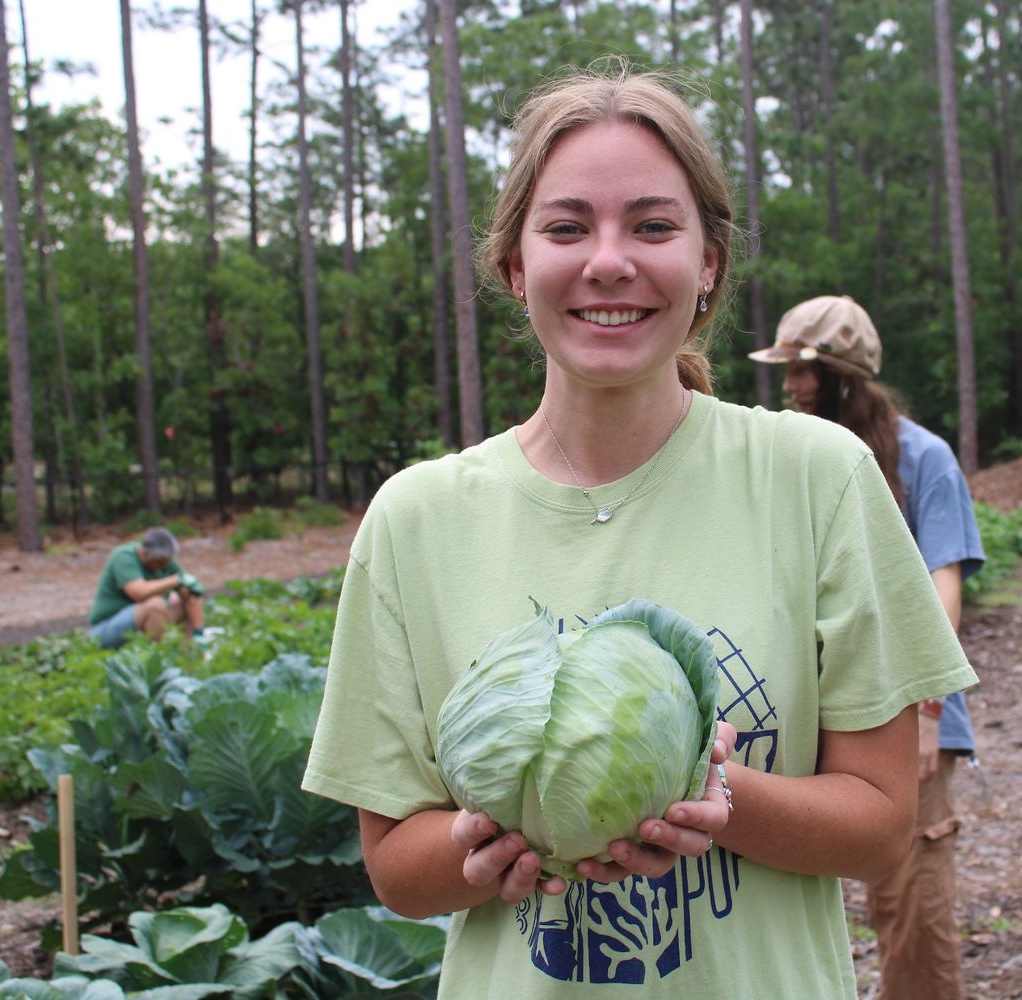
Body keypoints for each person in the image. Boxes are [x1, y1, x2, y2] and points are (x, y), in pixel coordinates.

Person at [301, 64, 977, 998]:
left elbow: (880, 823)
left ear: (708, 261)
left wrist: (712, 796)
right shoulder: (416, 519)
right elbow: (395, 868)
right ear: (514, 264)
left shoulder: (816, 478)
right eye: (567, 227)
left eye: (654, 226)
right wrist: (482, 846)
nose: (609, 261)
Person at [750, 293, 986, 1000]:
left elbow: (942, 587)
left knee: (910, 894)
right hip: (809, 712)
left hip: (906, 711)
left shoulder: (921, 460)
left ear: (843, 376)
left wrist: (923, 708)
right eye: (786, 371)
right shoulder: (781, 461)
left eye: (802, 371)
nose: (789, 386)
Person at [87, 526, 205, 649]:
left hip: (139, 624)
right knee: (155, 606)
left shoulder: (166, 562)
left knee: (183, 600)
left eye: (166, 562)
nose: (163, 566)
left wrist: (198, 631)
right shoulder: (124, 556)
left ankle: (190, 654)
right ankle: (161, 659)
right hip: (105, 629)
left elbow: (192, 593)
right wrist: (175, 580)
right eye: (160, 563)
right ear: (145, 553)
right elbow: (139, 592)